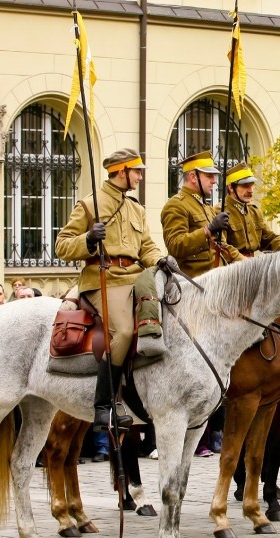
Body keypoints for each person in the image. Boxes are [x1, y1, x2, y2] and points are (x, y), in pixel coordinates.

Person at [55, 148, 175, 432]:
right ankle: (103, 404)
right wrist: (87, 239)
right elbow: (62, 245)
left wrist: (160, 258)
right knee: (122, 331)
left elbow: (146, 245)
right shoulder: (88, 205)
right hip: (103, 278)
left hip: (136, 276)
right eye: (137, 172)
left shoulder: (136, 208)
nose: (141, 177)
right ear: (122, 172)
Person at [161, 151, 245, 276]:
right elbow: (175, 245)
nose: (214, 181)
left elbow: (221, 245)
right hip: (194, 283)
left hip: (216, 278)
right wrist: (207, 230)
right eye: (209, 176)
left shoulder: (206, 207)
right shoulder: (176, 205)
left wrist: (247, 263)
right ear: (193, 177)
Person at [219, 162, 280, 256]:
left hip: (253, 265)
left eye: (252, 185)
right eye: (245, 186)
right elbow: (222, 247)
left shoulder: (254, 211)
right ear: (231, 187)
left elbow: (270, 238)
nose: (251, 190)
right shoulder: (219, 212)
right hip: (231, 267)